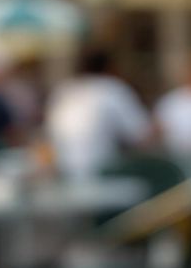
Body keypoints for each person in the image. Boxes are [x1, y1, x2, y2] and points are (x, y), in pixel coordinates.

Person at [45, 48, 153, 179]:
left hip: (65, 173)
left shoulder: (63, 90)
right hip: (104, 173)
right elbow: (142, 135)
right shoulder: (112, 88)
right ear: (109, 66)